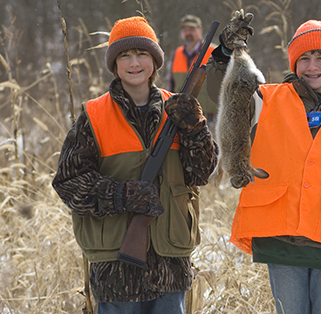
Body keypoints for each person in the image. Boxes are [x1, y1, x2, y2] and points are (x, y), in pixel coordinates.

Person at [206, 10, 321, 314]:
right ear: (294, 63)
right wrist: (226, 54)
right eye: (304, 58)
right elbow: (222, 96)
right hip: (281, 237)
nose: (312, 67)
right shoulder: (267, 99)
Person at [52, 16, 217, 314]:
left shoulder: (179, 109)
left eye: (142, 54)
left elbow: (202, 173)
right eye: (124, 55)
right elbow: (68, 183)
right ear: (114, 65)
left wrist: (195, 128)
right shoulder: (94, 116)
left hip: (170, 264)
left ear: (155, 61)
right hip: (116, 268)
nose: (134, 63)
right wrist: (120, 195)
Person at [167, 14, 218, 129]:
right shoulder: (177, 54)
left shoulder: (214, 52)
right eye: (185, 30)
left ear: (200, 31)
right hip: (182, 119)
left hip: (210, 119)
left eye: (192, 29)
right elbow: (171, 86)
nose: (188, 33)